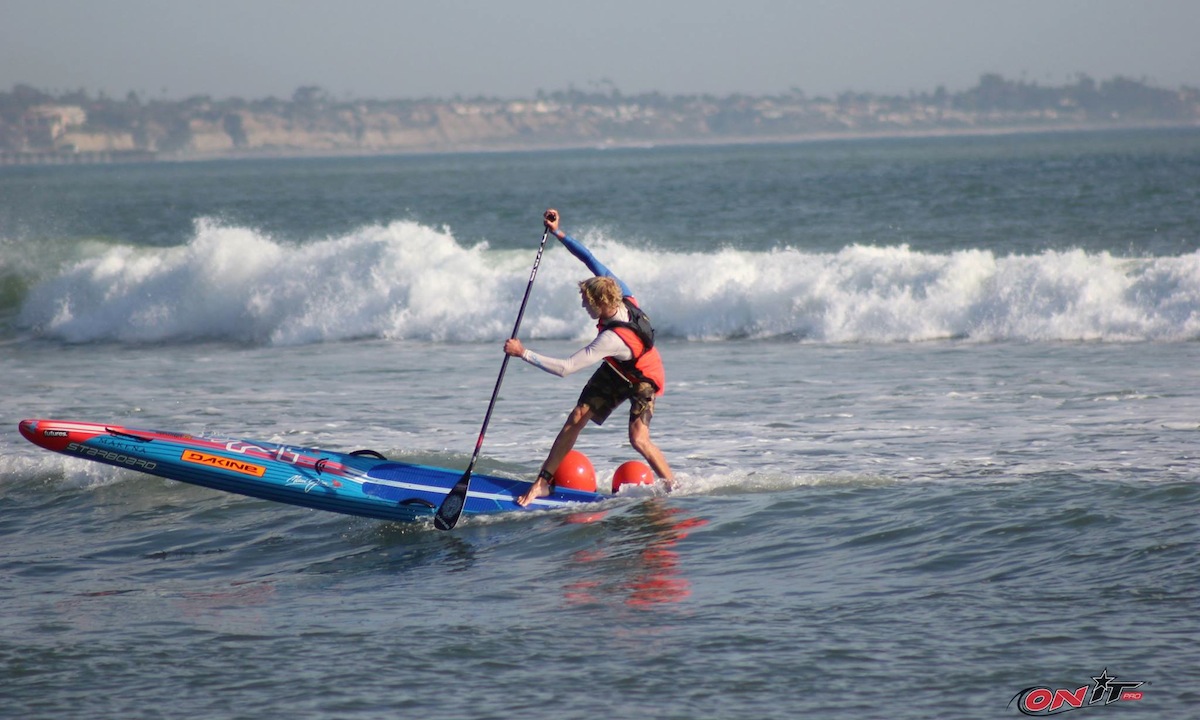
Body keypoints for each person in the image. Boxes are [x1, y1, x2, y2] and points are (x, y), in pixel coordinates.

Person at [506, 209, 674, 506]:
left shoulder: (610, 339)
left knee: (638, 438)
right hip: (618, 367)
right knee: (576, 418)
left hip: (644, 376)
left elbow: (566, 368)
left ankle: (671, 486)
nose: (584, 306)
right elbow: (589, 258)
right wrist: (558, 232)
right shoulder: (620, 290)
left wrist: (523, 353)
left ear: (601, 303)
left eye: (586, 302)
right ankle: (542, 483)